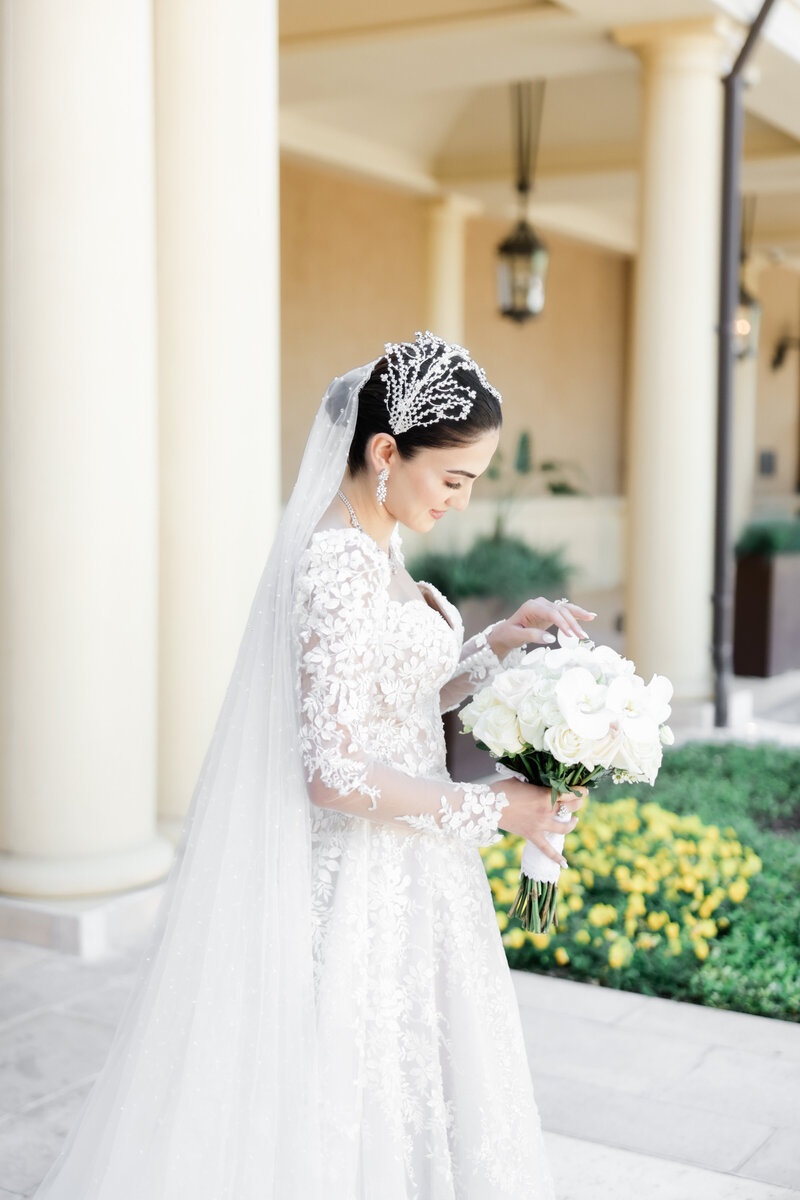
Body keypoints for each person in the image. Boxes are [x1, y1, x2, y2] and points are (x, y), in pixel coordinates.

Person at [32, 331, 591, 1200]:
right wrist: (495, 809)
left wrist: (497, 645)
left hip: (410, 858)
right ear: (383, 450)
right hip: (358, 864)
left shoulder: (378, 546)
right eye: (452, 478)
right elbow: (331, 769)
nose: (462, 502)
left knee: (418, 1080)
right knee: (347, 1085)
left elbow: (398, 697)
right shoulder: (336, 562)